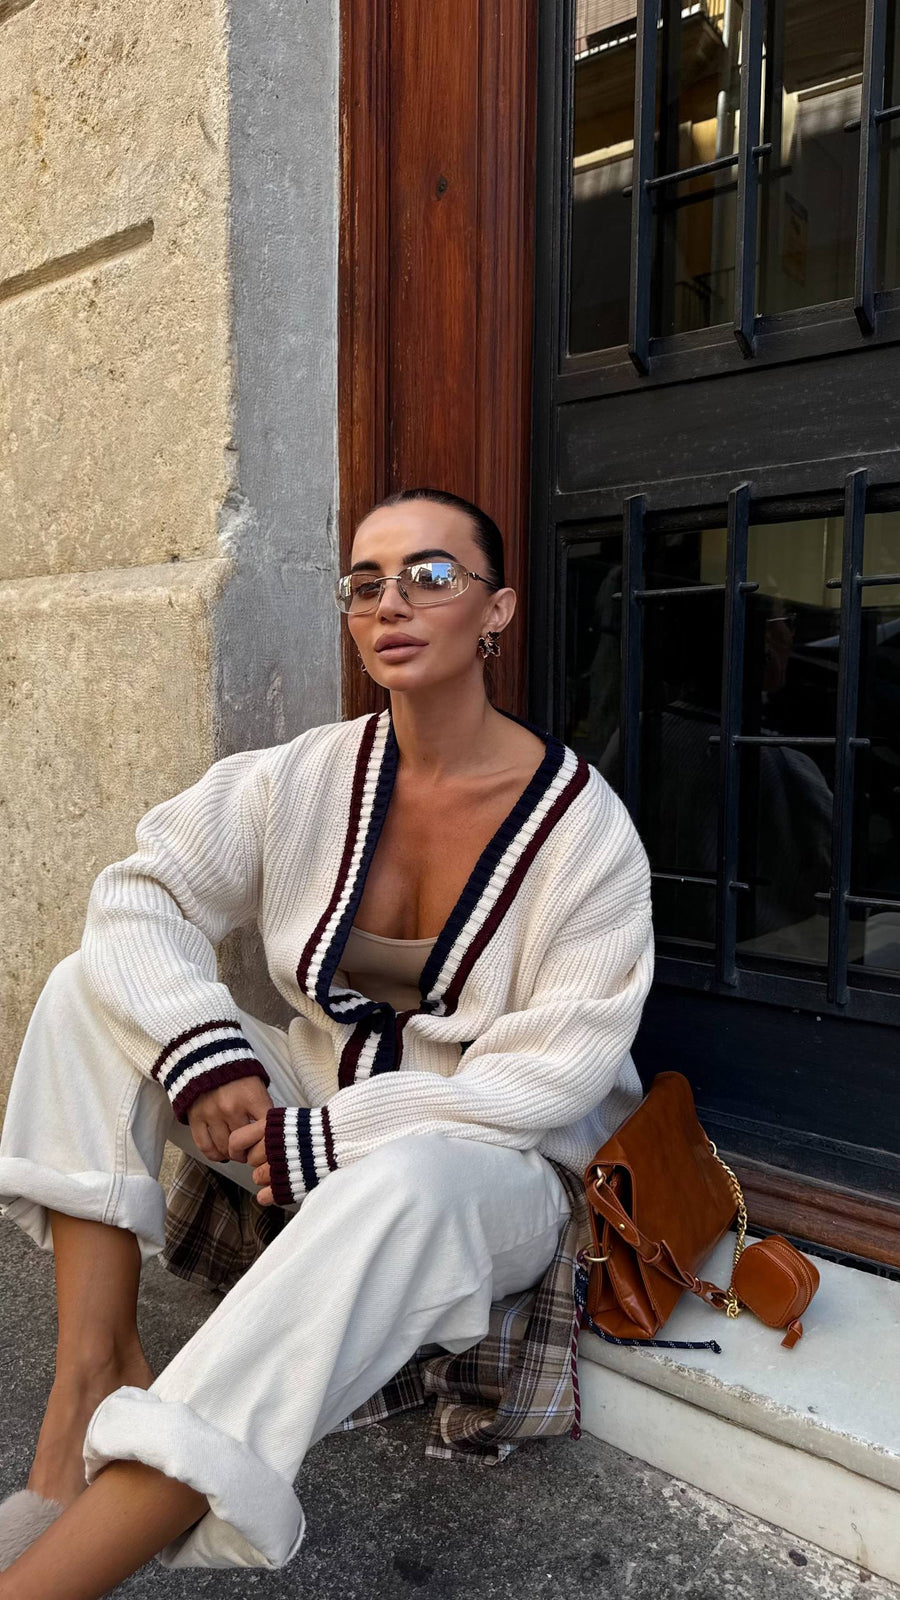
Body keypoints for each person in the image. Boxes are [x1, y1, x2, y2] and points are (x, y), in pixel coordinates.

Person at [0, 488, 654, 1598]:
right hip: (313, 1102)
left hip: (491, 1162)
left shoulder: (583, 831)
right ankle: (90, 1378)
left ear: (497, 609)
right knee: (83, 990)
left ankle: (62, 1568)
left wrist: (331, 1136)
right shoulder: (304, 776)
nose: (393, 602)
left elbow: (551, 1076)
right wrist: (211, 1049)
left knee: (407, 1181)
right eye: (366, 581)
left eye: (432, 576)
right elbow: (139, 893)